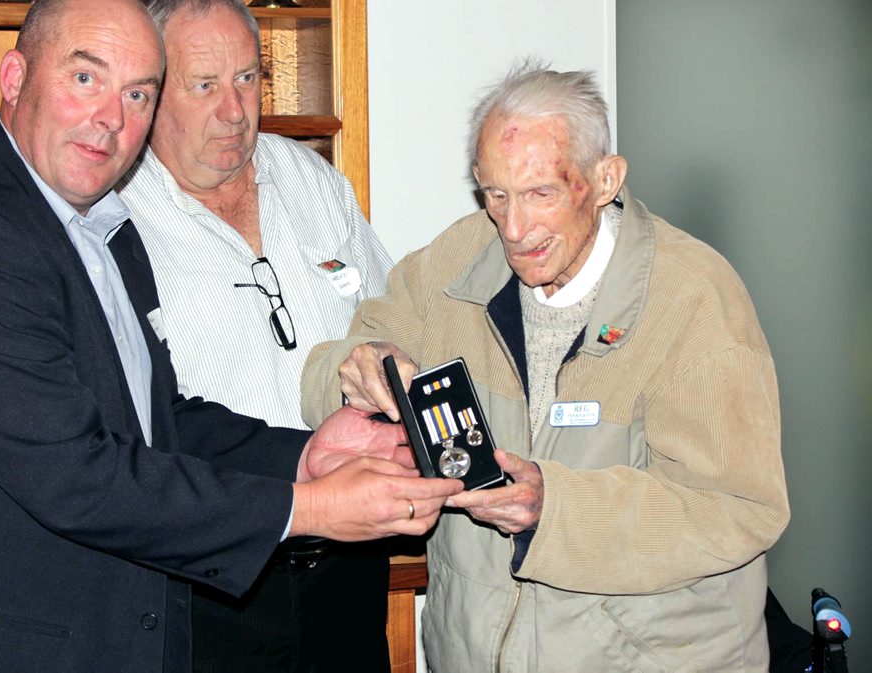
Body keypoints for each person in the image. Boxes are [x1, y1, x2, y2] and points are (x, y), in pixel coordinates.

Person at [0, 1, 462, 671]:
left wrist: (304, 455)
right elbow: (77, 475)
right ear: (13, 79)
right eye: (85, 79)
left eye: (136, 92)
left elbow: (158, 425)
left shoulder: (100, 232)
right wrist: (304, 505)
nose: (111, 117)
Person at [301, 60, 791, 672]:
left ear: (606, 178)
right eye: (495, 195)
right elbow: (344, 357)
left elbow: (740, 507)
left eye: (540, 193)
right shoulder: (457, 259)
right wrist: (355, 371)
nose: (513, 227)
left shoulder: (694, 298)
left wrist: (551, 509)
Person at [116, 1, 395, 671]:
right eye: (204, 84)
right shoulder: (114, 216)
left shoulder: (311, 179)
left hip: (348, 562)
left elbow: (389, 318)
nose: (235, 110)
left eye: (247, 78)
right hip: (210, 578)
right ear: (151, 92)